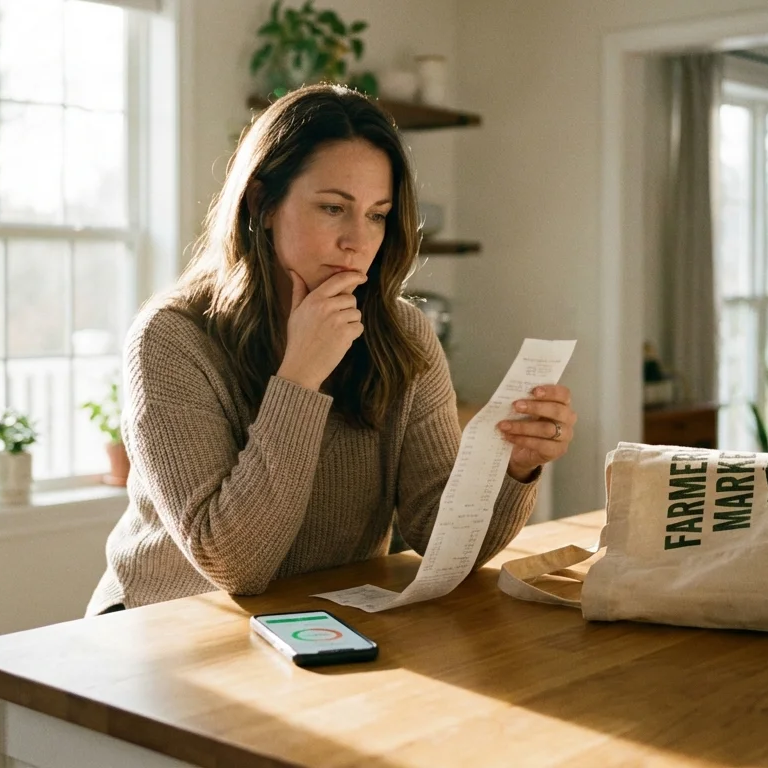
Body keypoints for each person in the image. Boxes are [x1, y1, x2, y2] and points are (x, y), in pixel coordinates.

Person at [86, 84, 578, 614]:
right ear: (262, 203)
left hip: (319, 620)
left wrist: (514, 469)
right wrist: (300, 377)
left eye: (376, 214)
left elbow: (440, 540)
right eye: (332, 207)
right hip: (165, 628)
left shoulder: (403, 334)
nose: (358, 240)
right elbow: (234, 565)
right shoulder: (172, 337)